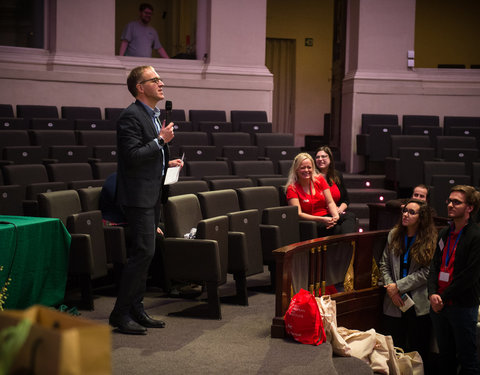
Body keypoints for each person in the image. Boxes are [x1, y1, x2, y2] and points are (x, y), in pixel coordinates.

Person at [109, 65, 183, 335]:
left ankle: (137, 309)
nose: (162, 83)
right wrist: (161, 142)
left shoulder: (152, 115)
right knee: (143, 252)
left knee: (147, 252)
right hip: (138, 196)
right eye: (155, 80)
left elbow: (149, 155)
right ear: (141, 87)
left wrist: (166, 162)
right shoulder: (130, 116)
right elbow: (131, 156)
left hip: (152, 194)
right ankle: (119, 313)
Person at [428, 185, 480, 374]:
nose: (450, 205)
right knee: (445, 356)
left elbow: (470, 276)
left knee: (468, 359)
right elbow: (434, 267)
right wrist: (432, 293)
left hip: (462, 306)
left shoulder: (476, 236)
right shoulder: (444, 233)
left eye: (456, 202)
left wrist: (443, 296)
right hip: (439, 306)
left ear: (470, 208)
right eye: (449, 201)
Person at [379, 199, 437, 365]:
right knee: (395, 350)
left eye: (412, 212)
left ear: (421, 217)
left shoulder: (429, 239)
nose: (405, 214)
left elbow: (427, 272)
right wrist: (391, 289)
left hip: (418, 303)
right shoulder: (394, 234)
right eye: (405, 211)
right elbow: (384, 264)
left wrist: (398, 286)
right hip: (394, 302)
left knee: (418, 351)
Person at [285, 152, 340, 237]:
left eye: (309, 167)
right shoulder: (292, 189)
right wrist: (322, 219)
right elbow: (299, 214)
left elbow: (330, 202)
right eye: (302, 168)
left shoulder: (320, 179)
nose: (306, 170)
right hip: (312, 220)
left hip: (327, 216)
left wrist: (335, 217)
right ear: (296, 169)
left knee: (350, 217)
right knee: (337, 229)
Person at [315, 146, 357, 234]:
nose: (320, 159)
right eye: (317, 157)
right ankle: (347, 245)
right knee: (337, 228)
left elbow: (346, 199)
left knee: (350, 216)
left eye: (324, 156)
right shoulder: (312, 177)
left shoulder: (337, 175)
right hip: (322, 213)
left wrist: (340, 209)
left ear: (330, 158)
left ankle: (346, 244)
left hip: (336, 213)